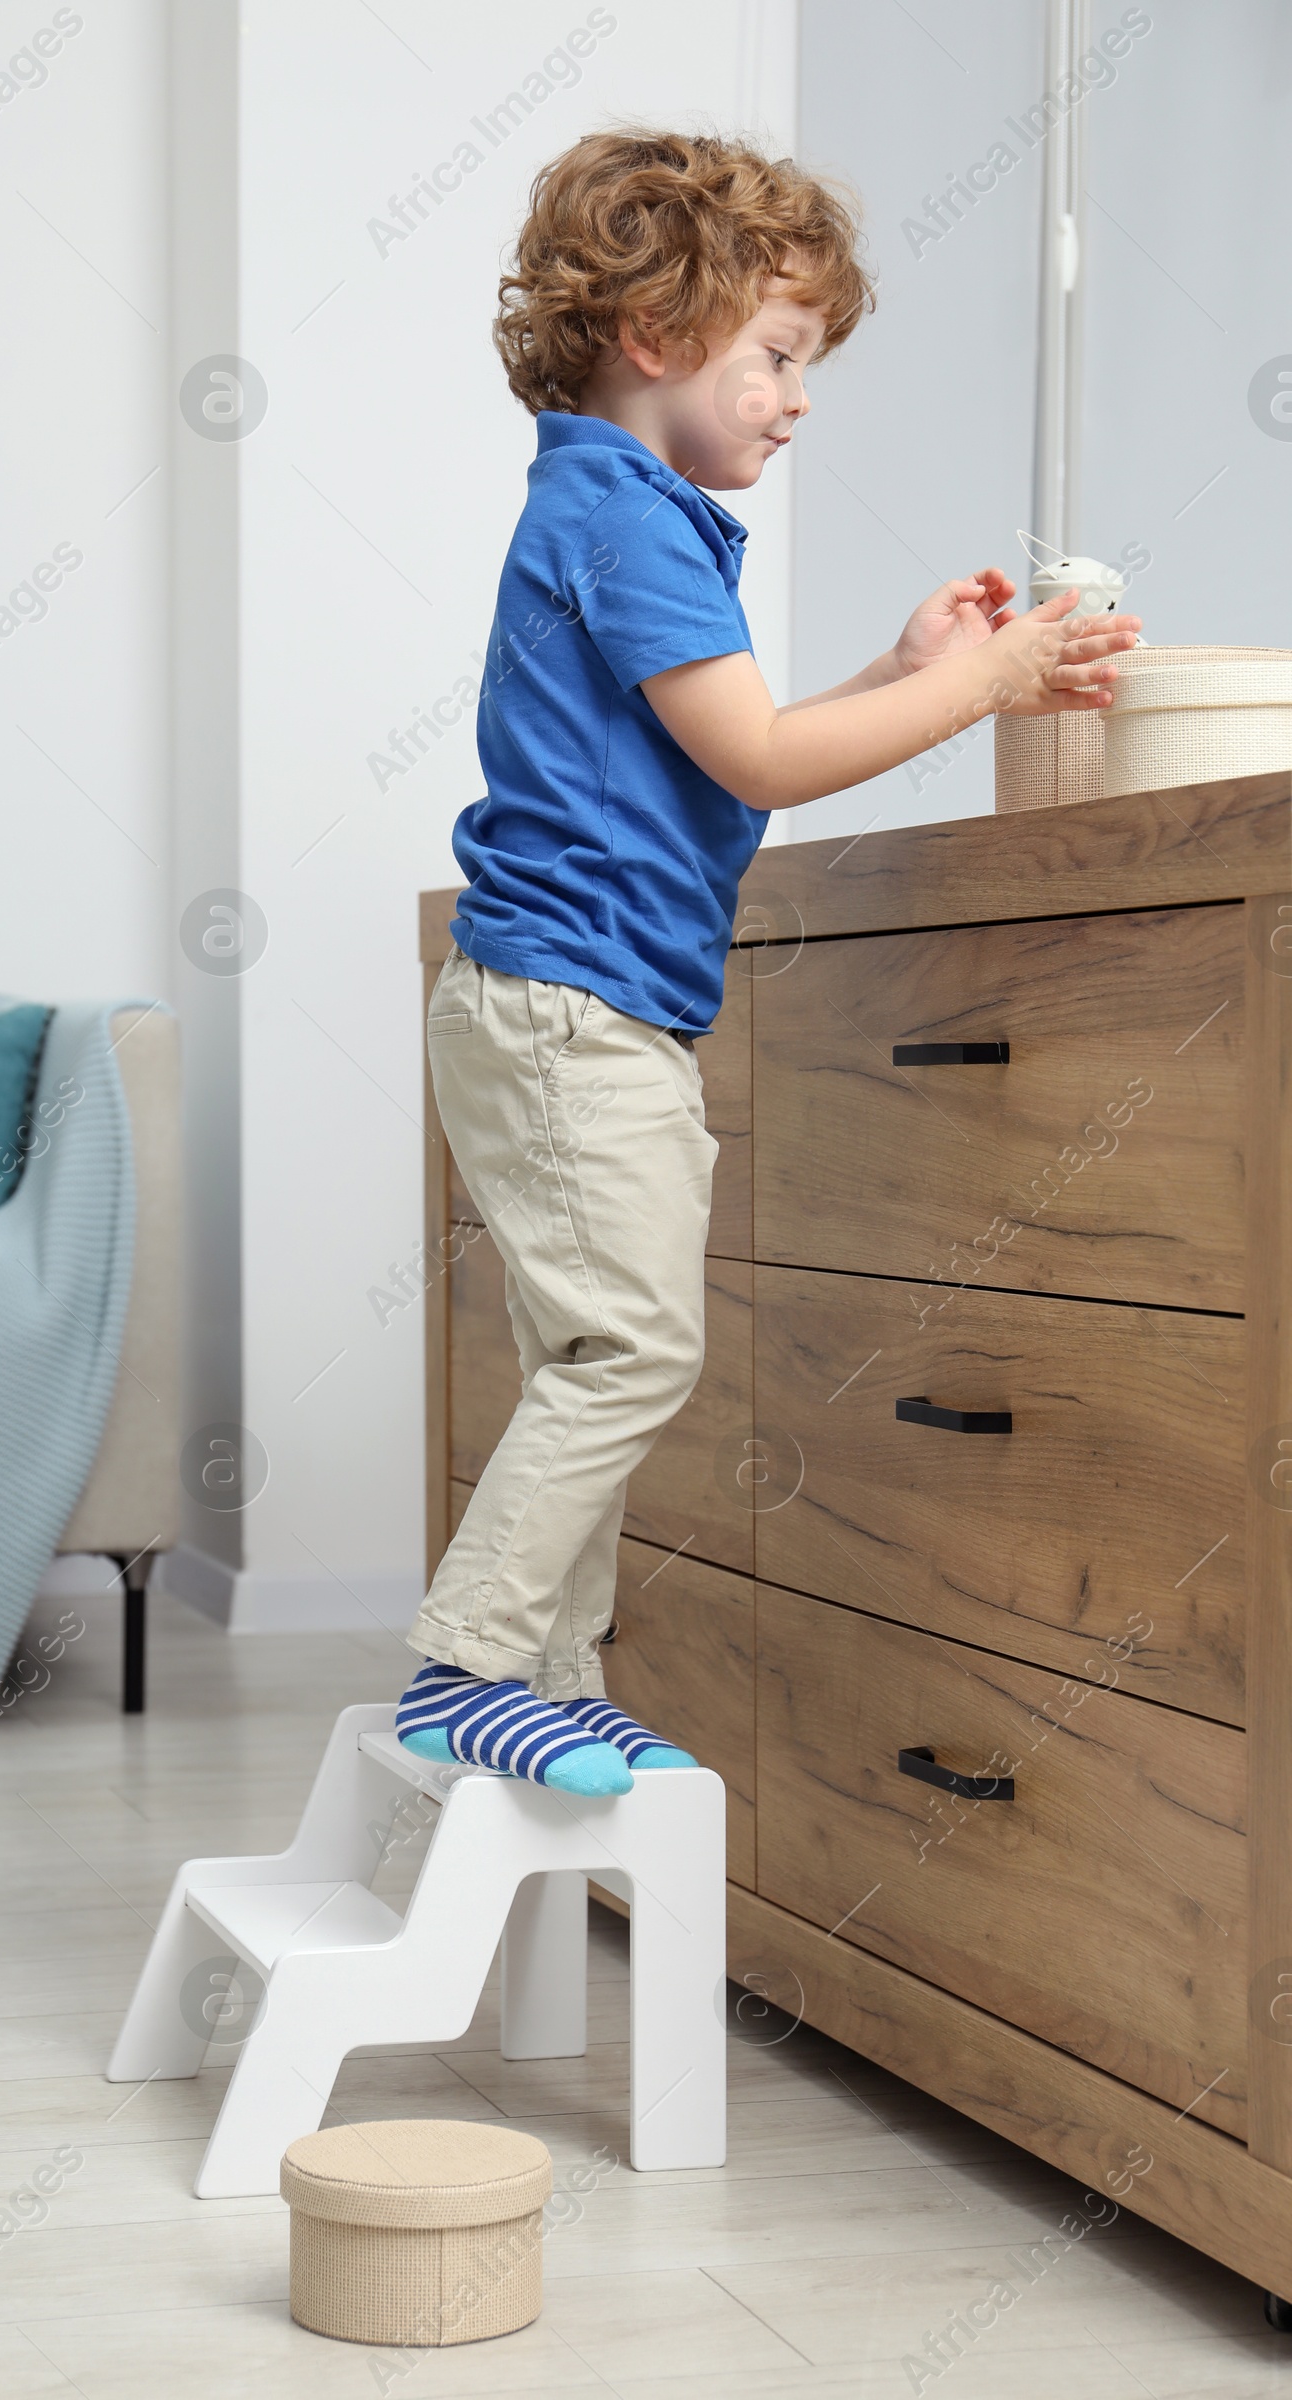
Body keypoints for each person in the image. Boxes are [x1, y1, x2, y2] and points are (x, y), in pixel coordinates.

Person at [397, 129, 1140, 1795]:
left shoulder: (616, 509)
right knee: (632, 1356)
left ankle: (545, 1679)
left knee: (585, 1358)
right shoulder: (631, 517)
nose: (801, 400)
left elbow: (733, 744)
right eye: (781, 357)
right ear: (659, 335)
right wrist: (996, 680)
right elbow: (765, 768)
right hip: (570, 1009)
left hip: (576, 1003)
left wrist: (904, 663)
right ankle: (464, 1668)